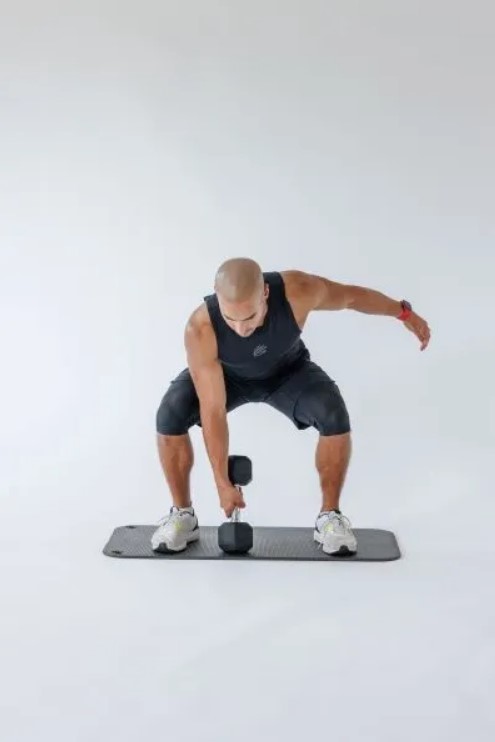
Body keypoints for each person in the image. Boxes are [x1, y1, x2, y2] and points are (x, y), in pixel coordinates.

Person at [152, 258, 431, 555]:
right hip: (226, 376)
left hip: (287, 372)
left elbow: (351, 297)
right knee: (171, 412)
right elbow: (213, 410)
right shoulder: (201, 328)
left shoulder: (298, 291)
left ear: (266, 295)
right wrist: (222, 484)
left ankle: (329, 518)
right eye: (230, 318)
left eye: (249, 317)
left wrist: (404, 313)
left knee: (332, 413)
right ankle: (183, 515)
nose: (240, 328)